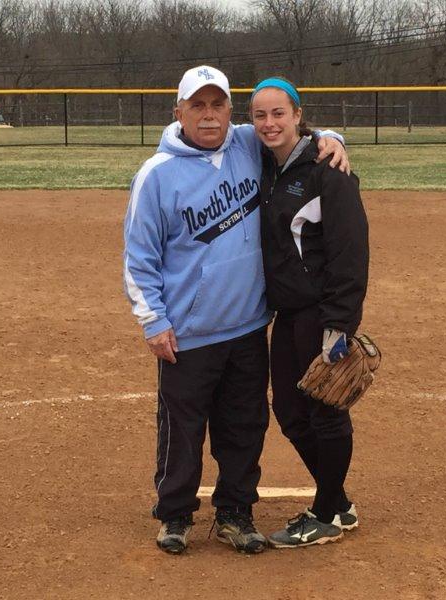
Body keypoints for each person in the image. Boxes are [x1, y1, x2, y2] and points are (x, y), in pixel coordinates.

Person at [123, 65, 349, 555]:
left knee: (245, 426)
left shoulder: (247, 143)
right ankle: (176, 514)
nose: (209, 116)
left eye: (218, 105)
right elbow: (139, 258)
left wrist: (333, 138)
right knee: (182, 430)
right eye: (198, 105)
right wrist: (154, 321)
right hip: (186, 332)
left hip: (248, 327)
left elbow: (294, 133)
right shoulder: (156, 175)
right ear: (178, 111)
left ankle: (235, 512)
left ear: (230, 111)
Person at [249, 77, 369, 548]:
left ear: (298, 116)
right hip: (288, 314)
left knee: (325, 411)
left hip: (322, 314)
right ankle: (338, 502)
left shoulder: (326, 171)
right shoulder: (262, 165)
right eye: (260, 115)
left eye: (279, 113)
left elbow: (350, 252)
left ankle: (324, 514)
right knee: (290, 412)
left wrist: (340, 324)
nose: (270, 123)